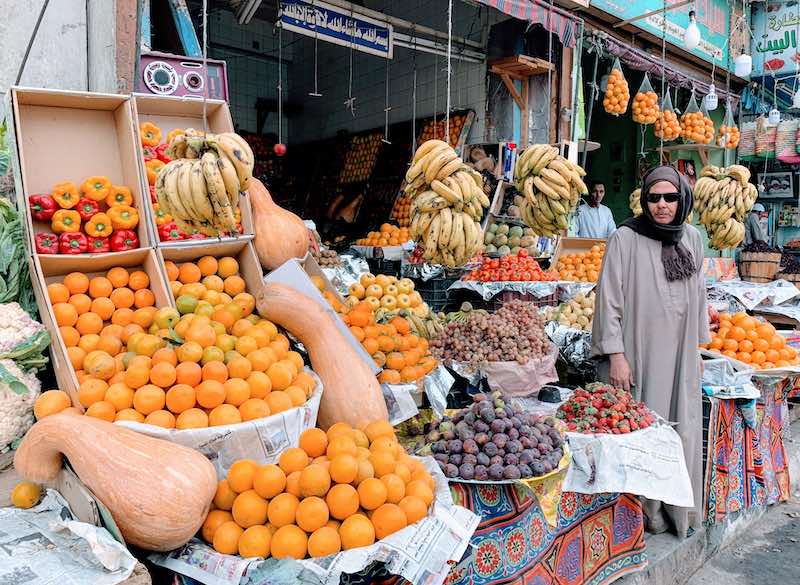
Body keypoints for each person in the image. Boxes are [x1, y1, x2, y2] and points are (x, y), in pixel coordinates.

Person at [591, 165, 709, 538]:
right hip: (639, 352)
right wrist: (616, 355)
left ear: (682, 199)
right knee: (646, 429)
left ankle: (679, 513)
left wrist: (699, 352)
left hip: (681, 355)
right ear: (644, 200)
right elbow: (608, 300)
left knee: (683, 430)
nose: (661, 205)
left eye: (670, 197)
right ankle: (645, 516)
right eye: (654, 198)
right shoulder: (625, 238)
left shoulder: (692, 238)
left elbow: (700, 296)